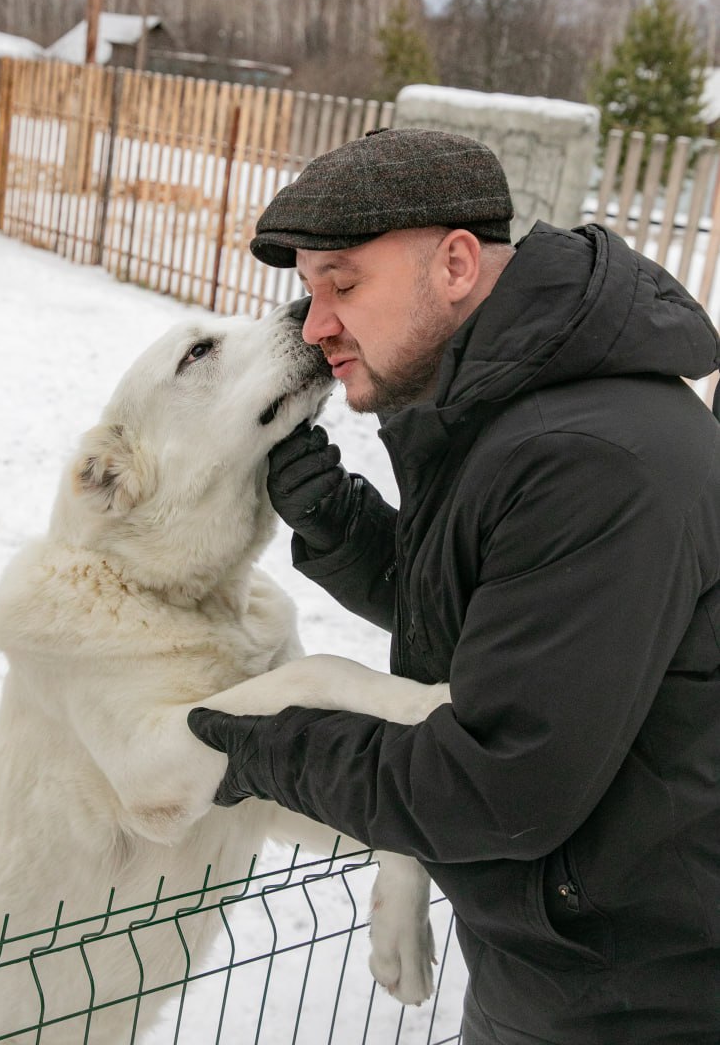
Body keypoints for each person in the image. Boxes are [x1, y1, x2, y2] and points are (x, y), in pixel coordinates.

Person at [187, 127, 720, 1044]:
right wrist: (338, 520)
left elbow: (497, 785)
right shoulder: (515, 405)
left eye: (342, 284)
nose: (315, 326)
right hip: (567, 966)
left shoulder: (588, 456)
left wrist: (258, 751)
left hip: (641, 997)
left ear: (459, 265)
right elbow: (509, 627)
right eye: (309, 292)